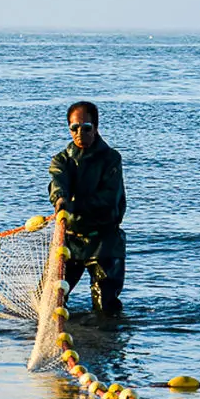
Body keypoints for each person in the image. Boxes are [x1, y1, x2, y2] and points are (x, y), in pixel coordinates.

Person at [48, 101, 127, 315]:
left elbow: (108, 199)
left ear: (96, 127)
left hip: (104, 241)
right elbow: (57, 182)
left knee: (105, 309)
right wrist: (60, 200)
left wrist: (72, 206)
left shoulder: (111, 159)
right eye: (74, 128)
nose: (79, 133)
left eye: (86, 127)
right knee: (47, 301)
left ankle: (106, 344)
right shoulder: (61, 160)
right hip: (70, 240)